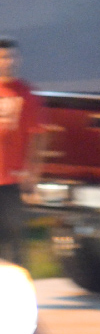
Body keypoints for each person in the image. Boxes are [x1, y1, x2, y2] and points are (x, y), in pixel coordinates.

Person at [0, 37, 45, 267]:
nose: (8, 62)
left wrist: (32, 173)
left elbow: (37, 136)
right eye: (2, 57)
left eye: (11, 56)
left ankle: (16, 284)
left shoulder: (26, 94)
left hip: (12, 182)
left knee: (15, 241)